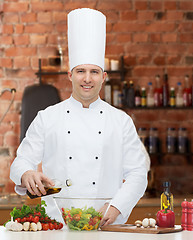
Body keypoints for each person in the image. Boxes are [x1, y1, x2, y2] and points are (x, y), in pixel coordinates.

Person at [10, 8, 150, 226]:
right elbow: (21, 161)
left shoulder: (120, 121)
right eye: (80, 71)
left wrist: (116, 206)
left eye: (94, 72)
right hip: (56, 225)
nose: (87, 79)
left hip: (106, 225)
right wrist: (27, 173)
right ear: (70, 75)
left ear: (103, 77)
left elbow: (138, 174)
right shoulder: (47, 118)